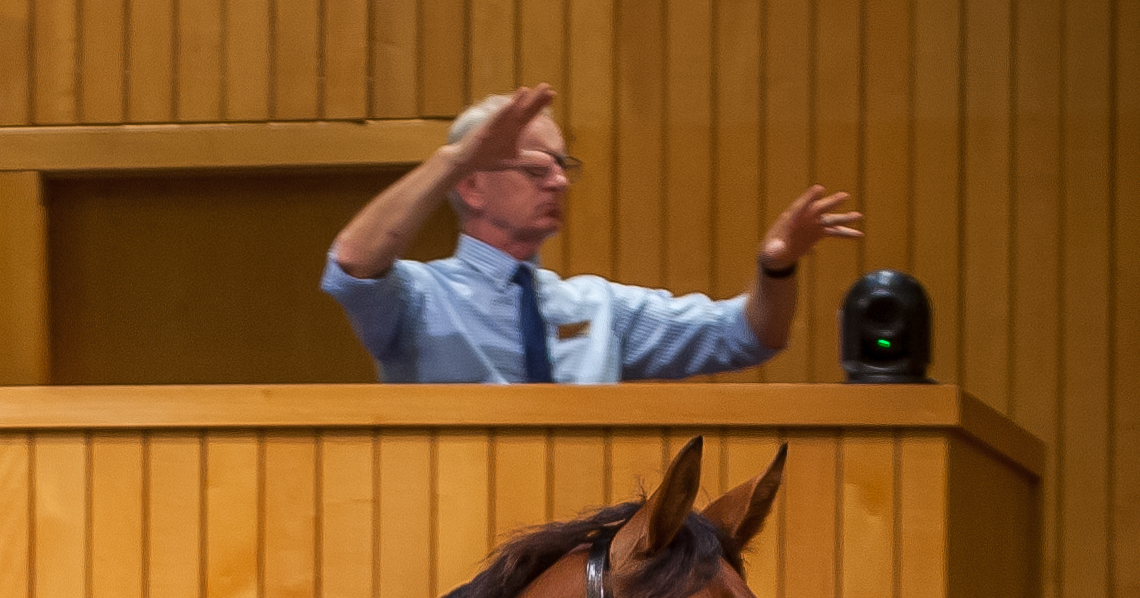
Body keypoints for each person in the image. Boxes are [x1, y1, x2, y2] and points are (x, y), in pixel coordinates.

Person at [323, 83, 861, 385]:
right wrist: (451, 159)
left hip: (579, 553)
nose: (558, 182)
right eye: (537, 169)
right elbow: (352, 264)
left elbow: (747, 335)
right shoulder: (419, 297)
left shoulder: (597, 307)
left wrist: (777, 266)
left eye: (562, 167)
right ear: (472, 187)